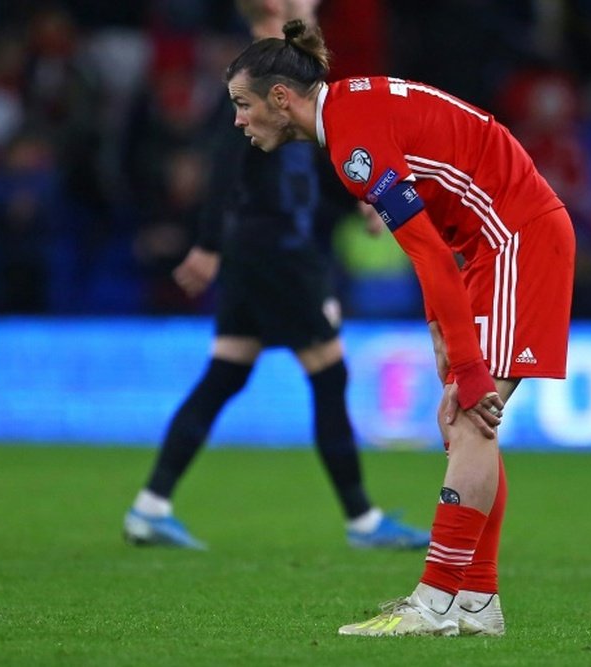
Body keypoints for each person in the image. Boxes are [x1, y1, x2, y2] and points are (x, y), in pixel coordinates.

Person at [224, 20, 575, 636]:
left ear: (282, 98)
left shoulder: (352, 144)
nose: (238, 120)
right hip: (495, 243)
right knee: (465, 427)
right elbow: (439, 235)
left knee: (470, 418)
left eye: (243, 104)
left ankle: (436, 599)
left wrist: (467, 367)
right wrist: (446, 332)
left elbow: (430, 253)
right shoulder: (355, 109)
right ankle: (477, 602)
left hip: (514, 239)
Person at [123, 0, 429, 552]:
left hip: (259, 247)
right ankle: (362, 520)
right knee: (328, 374)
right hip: (278, 252)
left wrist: (364, 191)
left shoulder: (287, 76)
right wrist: (209, 244)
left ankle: (151, 505)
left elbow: (311, 164)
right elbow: (224, 163)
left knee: (225, 375)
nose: (315, 7)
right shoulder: (258, 77)